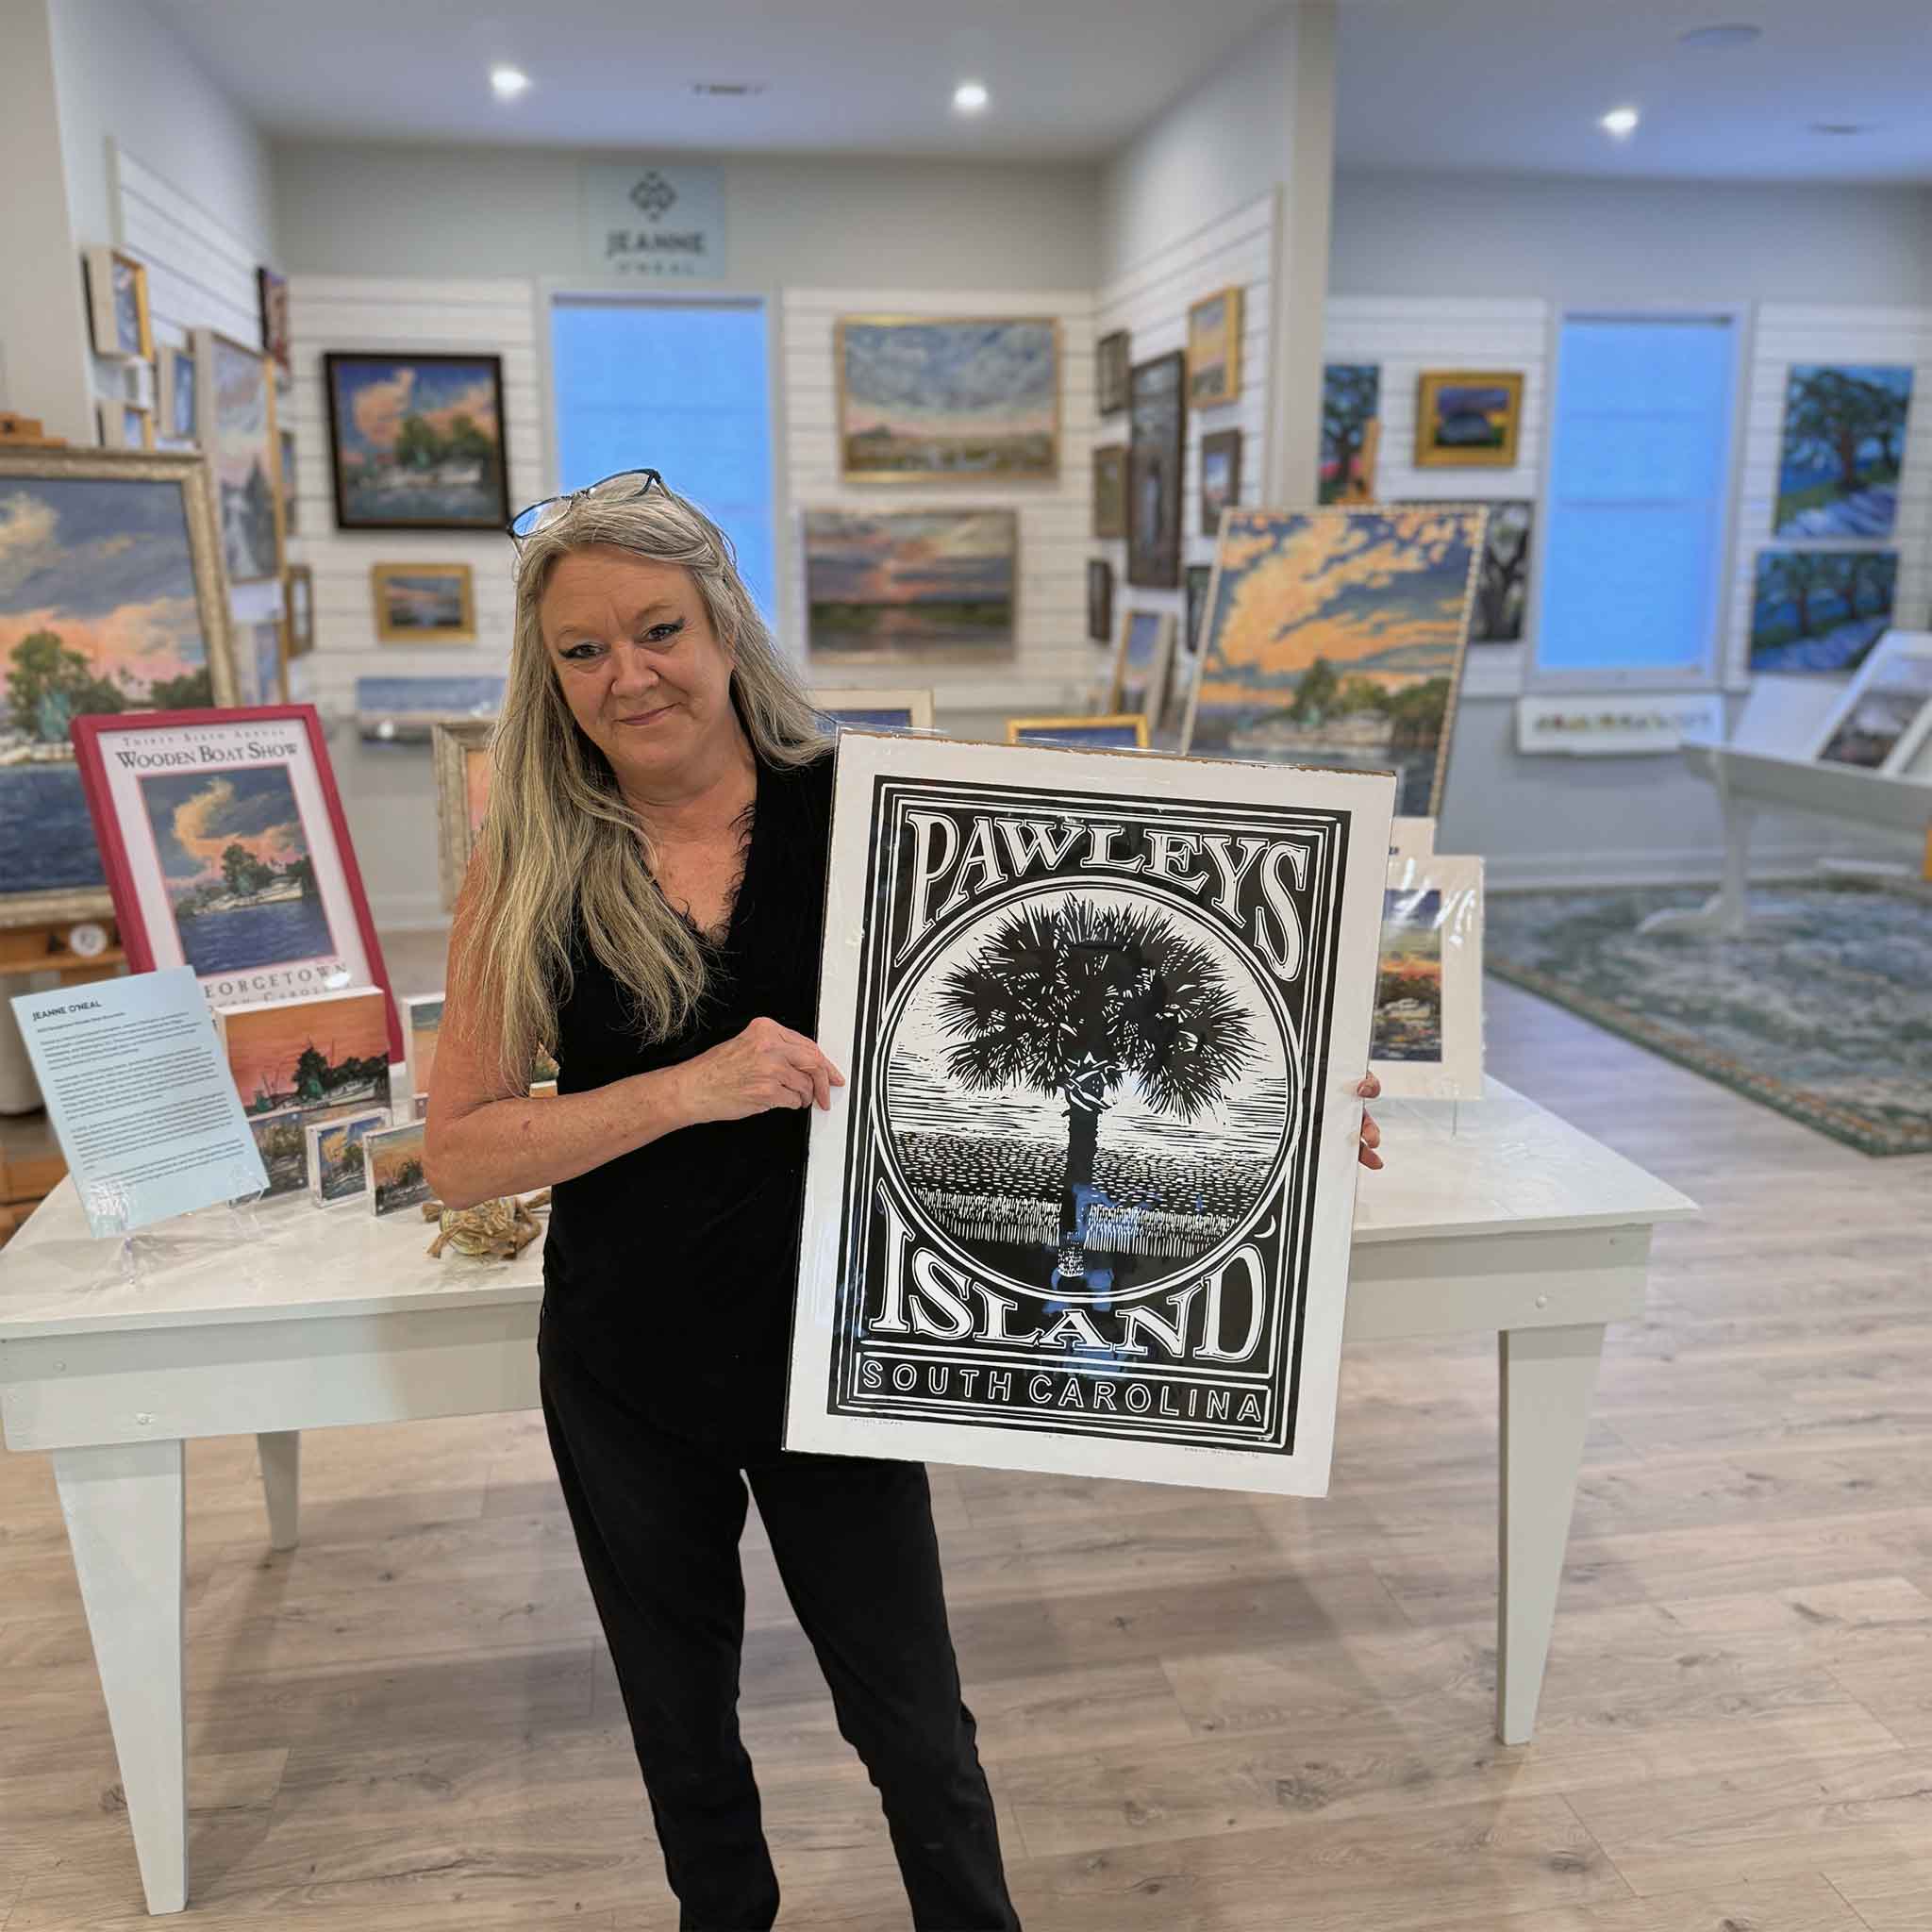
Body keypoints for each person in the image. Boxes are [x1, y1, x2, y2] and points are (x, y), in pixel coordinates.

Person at [423, 470, 1386, 1931]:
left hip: (845, 1355)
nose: (631, 675)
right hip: (625, 1370)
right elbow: (464, 1153)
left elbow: (1094, 1002)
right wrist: (685, 1087)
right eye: (584, 650)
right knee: (683, 1742)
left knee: (920, 1738)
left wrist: (1289, 1105)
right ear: (545, 675)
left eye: (660, 629)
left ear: (726, 626)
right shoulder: (533, 863)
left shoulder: (890, 817)